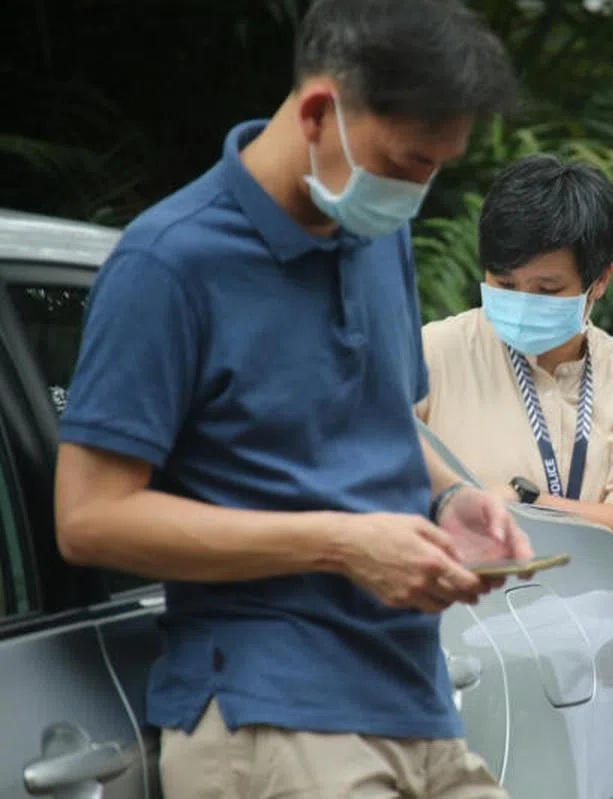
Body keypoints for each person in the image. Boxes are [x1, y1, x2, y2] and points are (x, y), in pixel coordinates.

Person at [52, 1, 533, 797]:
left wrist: (452, 497)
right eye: (410, 163)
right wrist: (343, 543)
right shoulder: (169, 265)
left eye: (438, 167)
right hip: (272, 719)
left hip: (416, 702)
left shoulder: (380, 235)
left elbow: (382, 416)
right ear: (319, 112)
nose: (420, 190)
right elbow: (89, 517)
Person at [417, 154, 613, 563]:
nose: (523, 302)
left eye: (547, 290)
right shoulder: (429, 353)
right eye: (504, 284)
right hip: (460, 615)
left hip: (592, 619)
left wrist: (524, 500)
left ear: (600, 281)